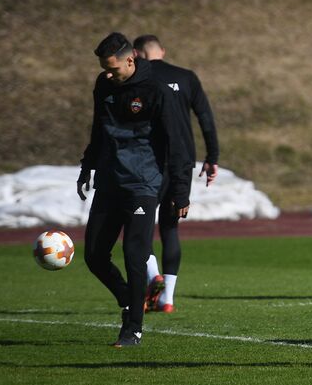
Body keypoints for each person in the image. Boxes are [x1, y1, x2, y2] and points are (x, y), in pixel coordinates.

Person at [78, 32, 190, 348]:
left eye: (113, 69)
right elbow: (98, 129)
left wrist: (180, 191)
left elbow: (177, 142)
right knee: (94, 256)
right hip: (110, 181)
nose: (108, 75)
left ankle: (133, 329)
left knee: (134, 255)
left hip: (144, 183)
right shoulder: (104, 85)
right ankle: (130, 296)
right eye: (104, 69)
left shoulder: (156, 90)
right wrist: (88, 166)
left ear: (131, 59)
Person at [132, 34, 219, 314]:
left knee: (137, 228)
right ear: (163, 52)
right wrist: (212, 157)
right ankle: (167, 298)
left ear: (136, 53)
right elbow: (205, 117)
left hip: (148, 163)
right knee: (170, 227)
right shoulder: (186, 76)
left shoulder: (138, 78)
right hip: (182, 163)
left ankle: (152, 275)